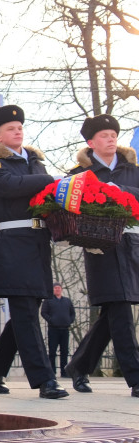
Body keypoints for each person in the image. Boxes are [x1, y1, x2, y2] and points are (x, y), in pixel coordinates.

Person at [0, 105, 68, 399]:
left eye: (19, 127)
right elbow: (7, 186)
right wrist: (47, 180)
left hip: (38, 241)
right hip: (13, 242)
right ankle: (45, 380)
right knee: (25, 314)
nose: (17, 131)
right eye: (10, 128)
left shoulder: (34, 162)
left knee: (26, 312)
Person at [64, 115, 139, 397]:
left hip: (131, 246)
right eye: (104, 135)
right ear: (90, 142)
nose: (110, 139)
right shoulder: (79, 174)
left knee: (113, 312)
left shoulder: (133, 170)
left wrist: (121, 191)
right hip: (100, 248)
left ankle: (79, 366)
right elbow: (68, 207)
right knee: (119, 310)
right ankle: (136, 378)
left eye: (113, 134)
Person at [41, 283, 75, 377]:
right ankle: (52, 371)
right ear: (53, 290)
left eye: (59, 288)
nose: (57, 289)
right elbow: (43, 312)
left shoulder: (67, 301)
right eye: (55, 288)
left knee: (64, 351)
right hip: (53, 329)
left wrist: (69, 320)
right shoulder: (48, 301)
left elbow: (72, 313)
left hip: (65, 329)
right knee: (52, 351)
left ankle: (64, 372)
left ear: (61, 289)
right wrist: (51, 320)